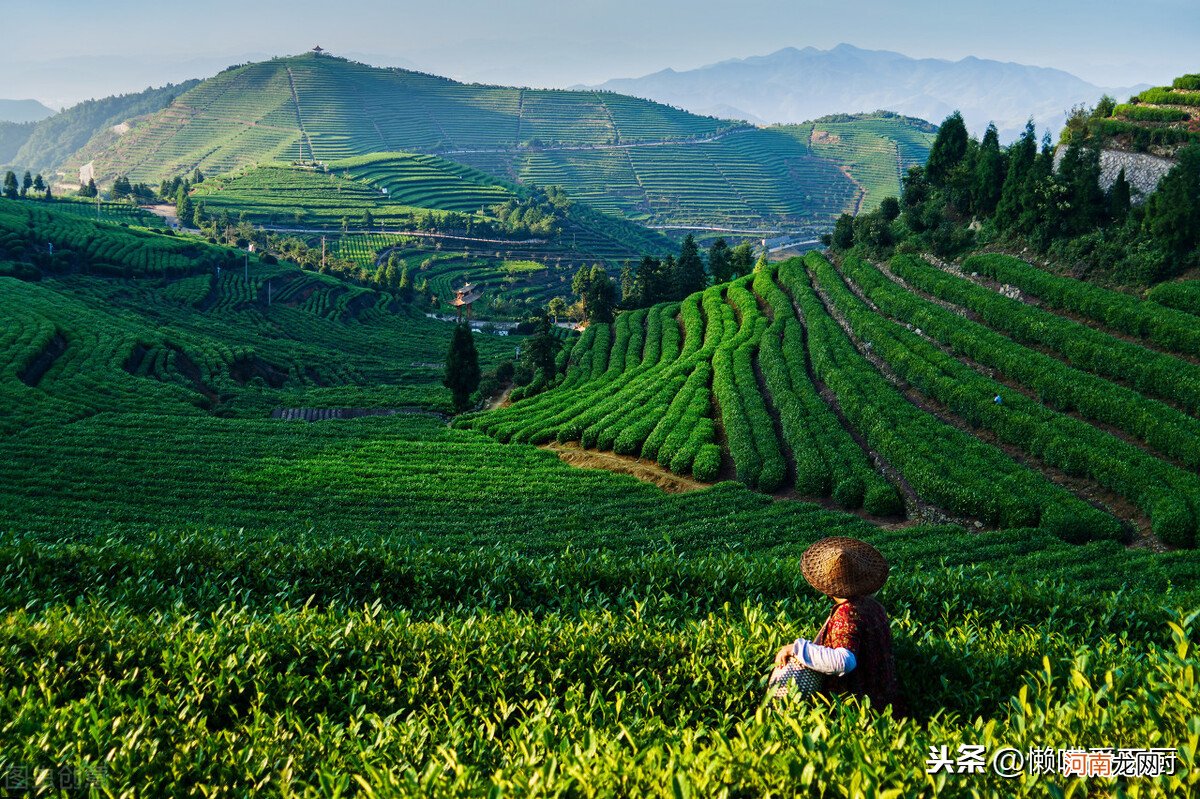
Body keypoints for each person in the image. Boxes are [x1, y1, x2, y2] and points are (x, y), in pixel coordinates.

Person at [772, 536, 902, 711]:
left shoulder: (847, 612)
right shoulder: (874, 606)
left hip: (859, 708)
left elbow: (844, 661)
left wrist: (796, 648)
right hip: (887, 698)